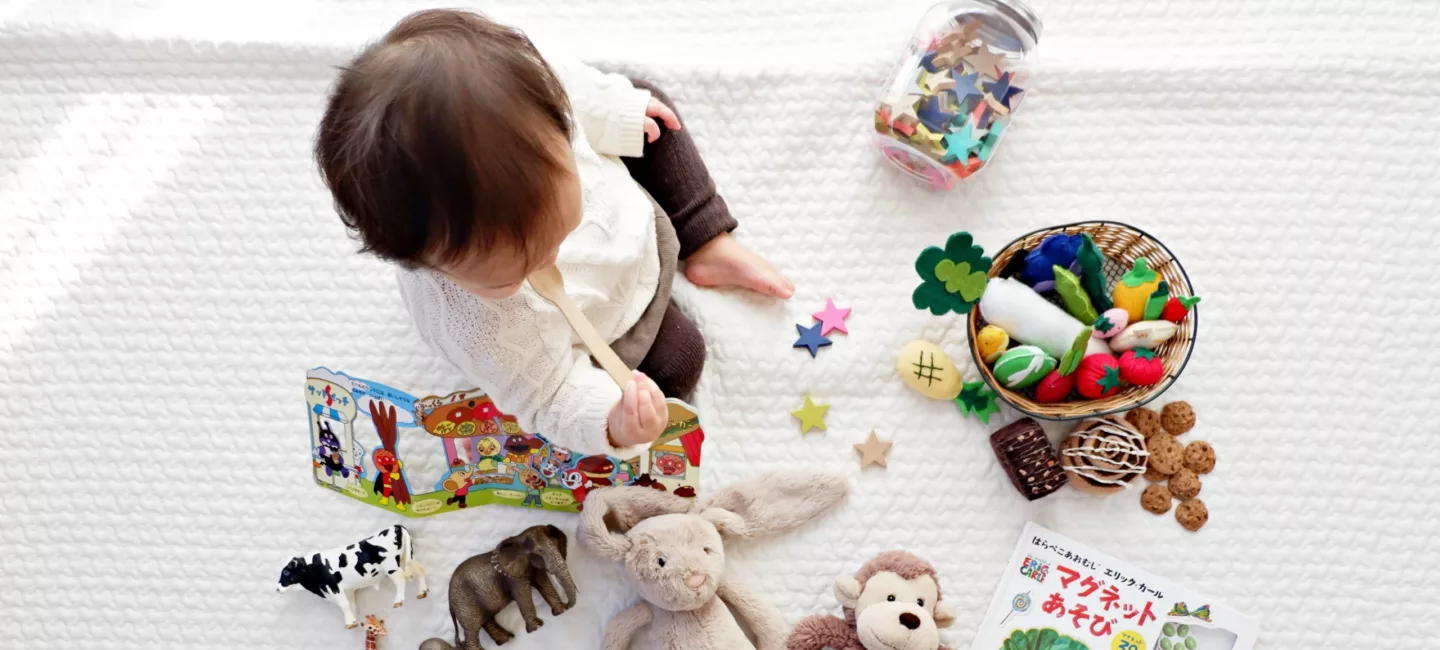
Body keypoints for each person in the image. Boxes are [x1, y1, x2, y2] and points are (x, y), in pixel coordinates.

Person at [316, 9, 791, 456]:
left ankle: (707, 239)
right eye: (513, 273)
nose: (550, 261)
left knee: (649, 113)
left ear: (557, 126)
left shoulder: (537, 93)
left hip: (631, 216)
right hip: (607, 322)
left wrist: (614, 113)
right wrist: (612, 422)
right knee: (679, 363)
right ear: (422, 263)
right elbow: (549, 396)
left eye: (560, 231)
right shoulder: (479, 328)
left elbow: (580, 92)